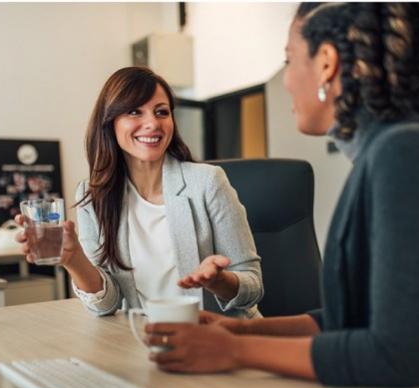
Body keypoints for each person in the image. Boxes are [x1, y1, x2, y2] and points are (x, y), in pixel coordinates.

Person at [145, 3, 419, 388]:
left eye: (289, 60)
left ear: (327, 63)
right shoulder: (390, 153)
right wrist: (236, 333)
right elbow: (351, 319)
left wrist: (232, 353)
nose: (287, 82)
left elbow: (393, 355)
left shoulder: (406, 157)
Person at [15, 67, 263, 318]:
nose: (153, 123)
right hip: (141, 339)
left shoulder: (207, 182)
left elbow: (253, 286)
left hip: (214, 338)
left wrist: (218, 281)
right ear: (110, 122)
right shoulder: (94, 195)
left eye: (161, 112)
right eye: (135, 111)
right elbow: (105, 304)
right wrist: (73, 259)